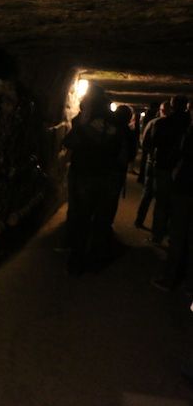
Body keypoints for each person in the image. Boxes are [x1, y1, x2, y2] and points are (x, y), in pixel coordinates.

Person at [63, 86, 128, 274]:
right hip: (107, 178)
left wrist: (82, 127)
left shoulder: (83, 123)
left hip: (85, 176)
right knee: (101, 220)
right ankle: (95, 259)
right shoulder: (118, 125)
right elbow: (124, 153)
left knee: (81, 218)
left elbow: (68, 142)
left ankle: (76, 262)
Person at [152, 123, 193, 291]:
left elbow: (179, 156)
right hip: (186, 187)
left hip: (186, 189)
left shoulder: (189, 134)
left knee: (177, 236)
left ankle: (170, 279)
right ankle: (190, 285)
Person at [149, 96, 191, 244]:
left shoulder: (163, 123)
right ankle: (174, 237)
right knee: (178, 205)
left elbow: (154, 143)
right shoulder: (189, 124)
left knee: (161, 203)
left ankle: (157, 235)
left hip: (163, 166)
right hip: (183, 170)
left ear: (172, 106)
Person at [135, 101, 170, 228]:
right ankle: (157, 228)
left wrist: (151, 155)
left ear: (161, 110)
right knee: (161, 198)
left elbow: (144, 142)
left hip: (152, 162)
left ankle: (139, 220)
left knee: (147, 193)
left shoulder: (153, 123)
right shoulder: (174, 125)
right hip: (165, 165)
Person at [107, 105, 137, 226]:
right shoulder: (129, 133)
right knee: (112, 200)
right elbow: (132, 154)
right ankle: (106, 225)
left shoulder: (107, 126)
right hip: (118, 170)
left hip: (102, 168)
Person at [137, 102, 159, 183]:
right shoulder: (153, 119)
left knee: (144, 159)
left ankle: (141, 177)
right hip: (149, 142)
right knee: (145, 160)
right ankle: (143, 178)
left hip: (146, 140)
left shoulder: (147, 116)